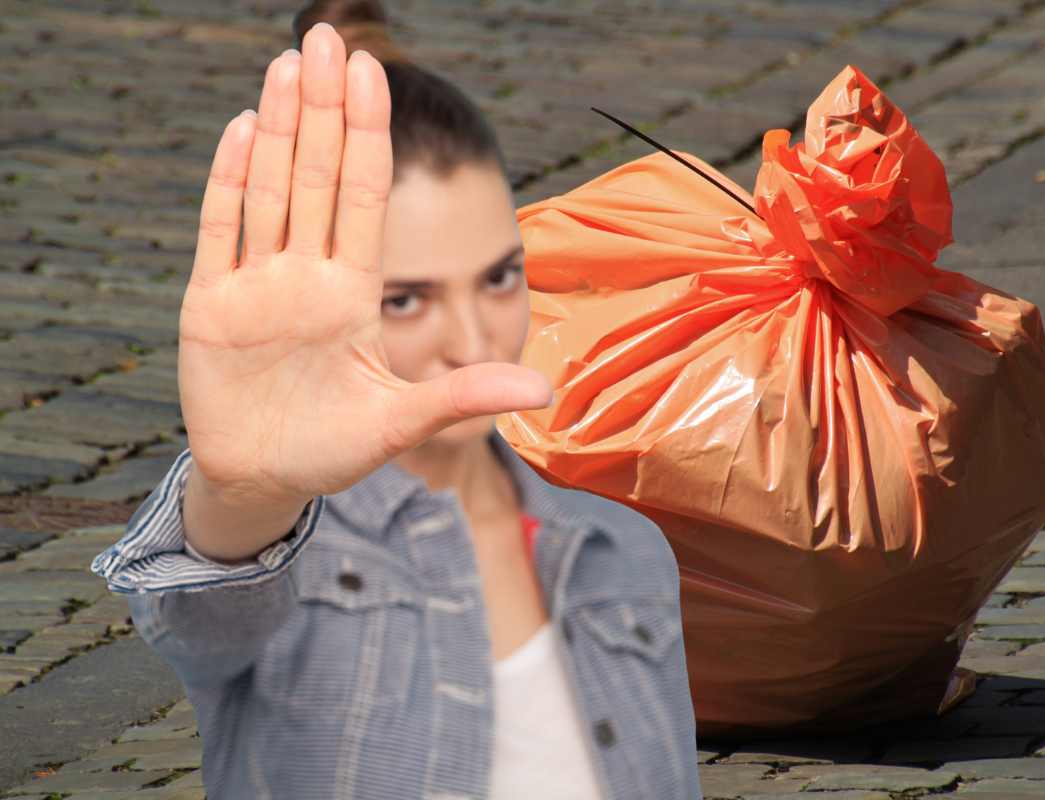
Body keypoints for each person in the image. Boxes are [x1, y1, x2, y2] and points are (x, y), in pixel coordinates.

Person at [90, 3, 701, 798]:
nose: (471, 335)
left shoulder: (624, 552)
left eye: (497, 276)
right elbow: (197, 621)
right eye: (408, 299)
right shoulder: (291, 563)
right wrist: (245, 492)